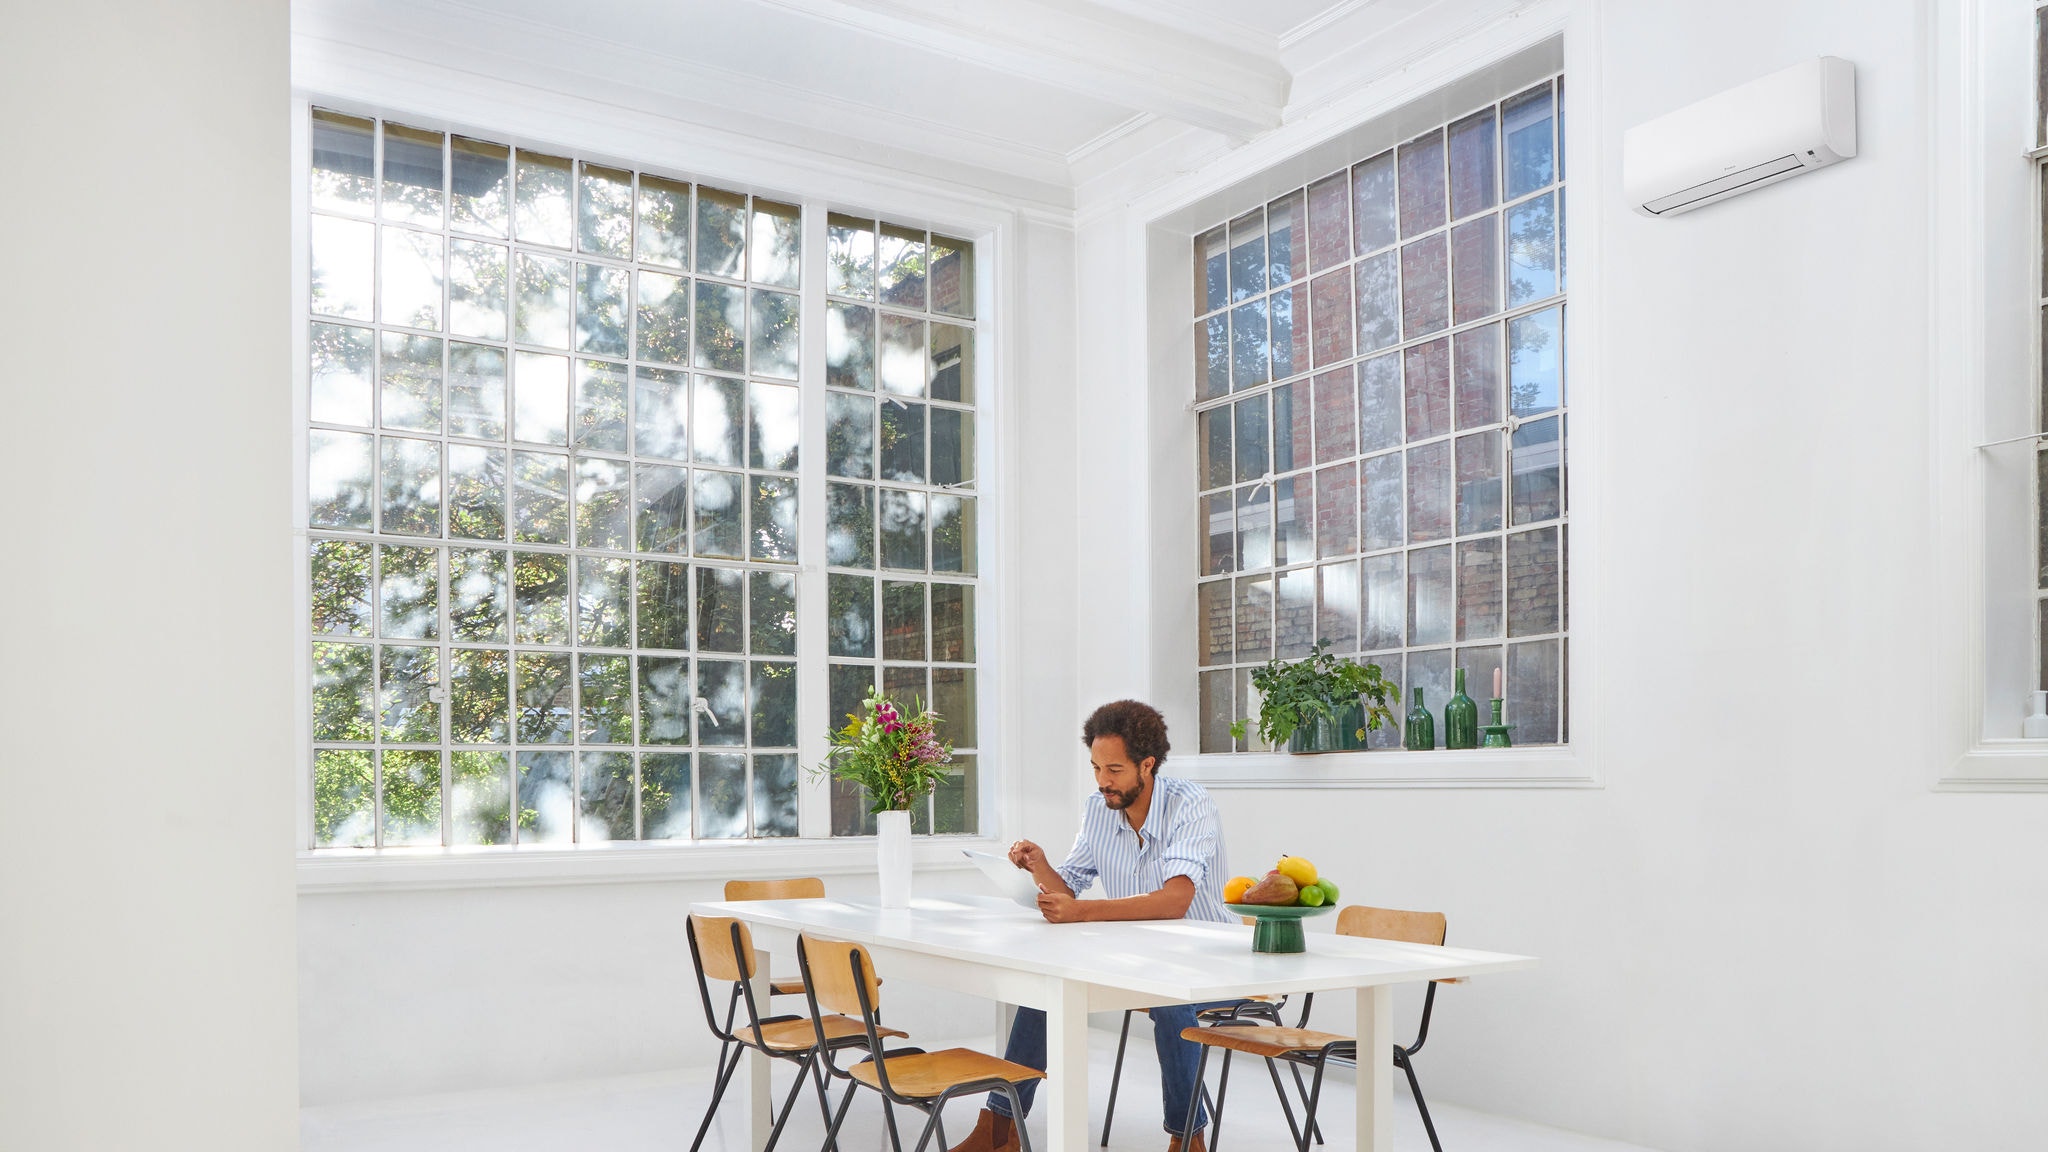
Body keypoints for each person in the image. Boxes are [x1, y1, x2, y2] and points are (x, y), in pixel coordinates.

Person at [948, 700, 1234, 1152]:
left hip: (1215, 964)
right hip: (1138, 963)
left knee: (1170, 1000)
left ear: (1148, 764)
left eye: (1115, 769)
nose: (1103, 781)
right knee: (1047, 984)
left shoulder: (1190, 805)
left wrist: (1082, 913)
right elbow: (1071, 888)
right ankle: (998, 1129)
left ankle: (1188, 1139)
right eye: (1096, 768)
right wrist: (1040, 866)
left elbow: (1176, 900)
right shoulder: (1098, 809)